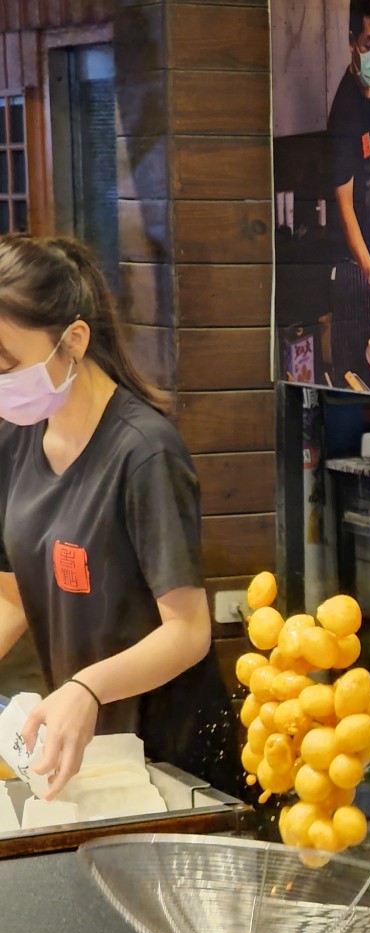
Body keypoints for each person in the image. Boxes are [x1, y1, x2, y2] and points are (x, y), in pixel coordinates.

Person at [0, 235, 240, 799]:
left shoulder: (145, 453)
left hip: (171, 760)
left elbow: (187, 631)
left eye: (6, 362)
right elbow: (12, 593)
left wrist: (86, 688)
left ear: (74, 340)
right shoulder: (13, 438)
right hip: (83, 753)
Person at [326, 0, 370, 382]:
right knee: (356, 374)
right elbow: (344, 206)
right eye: (368, 43)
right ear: (352, 43)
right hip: (354, 268)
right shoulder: (343, 113)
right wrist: (369, 268)